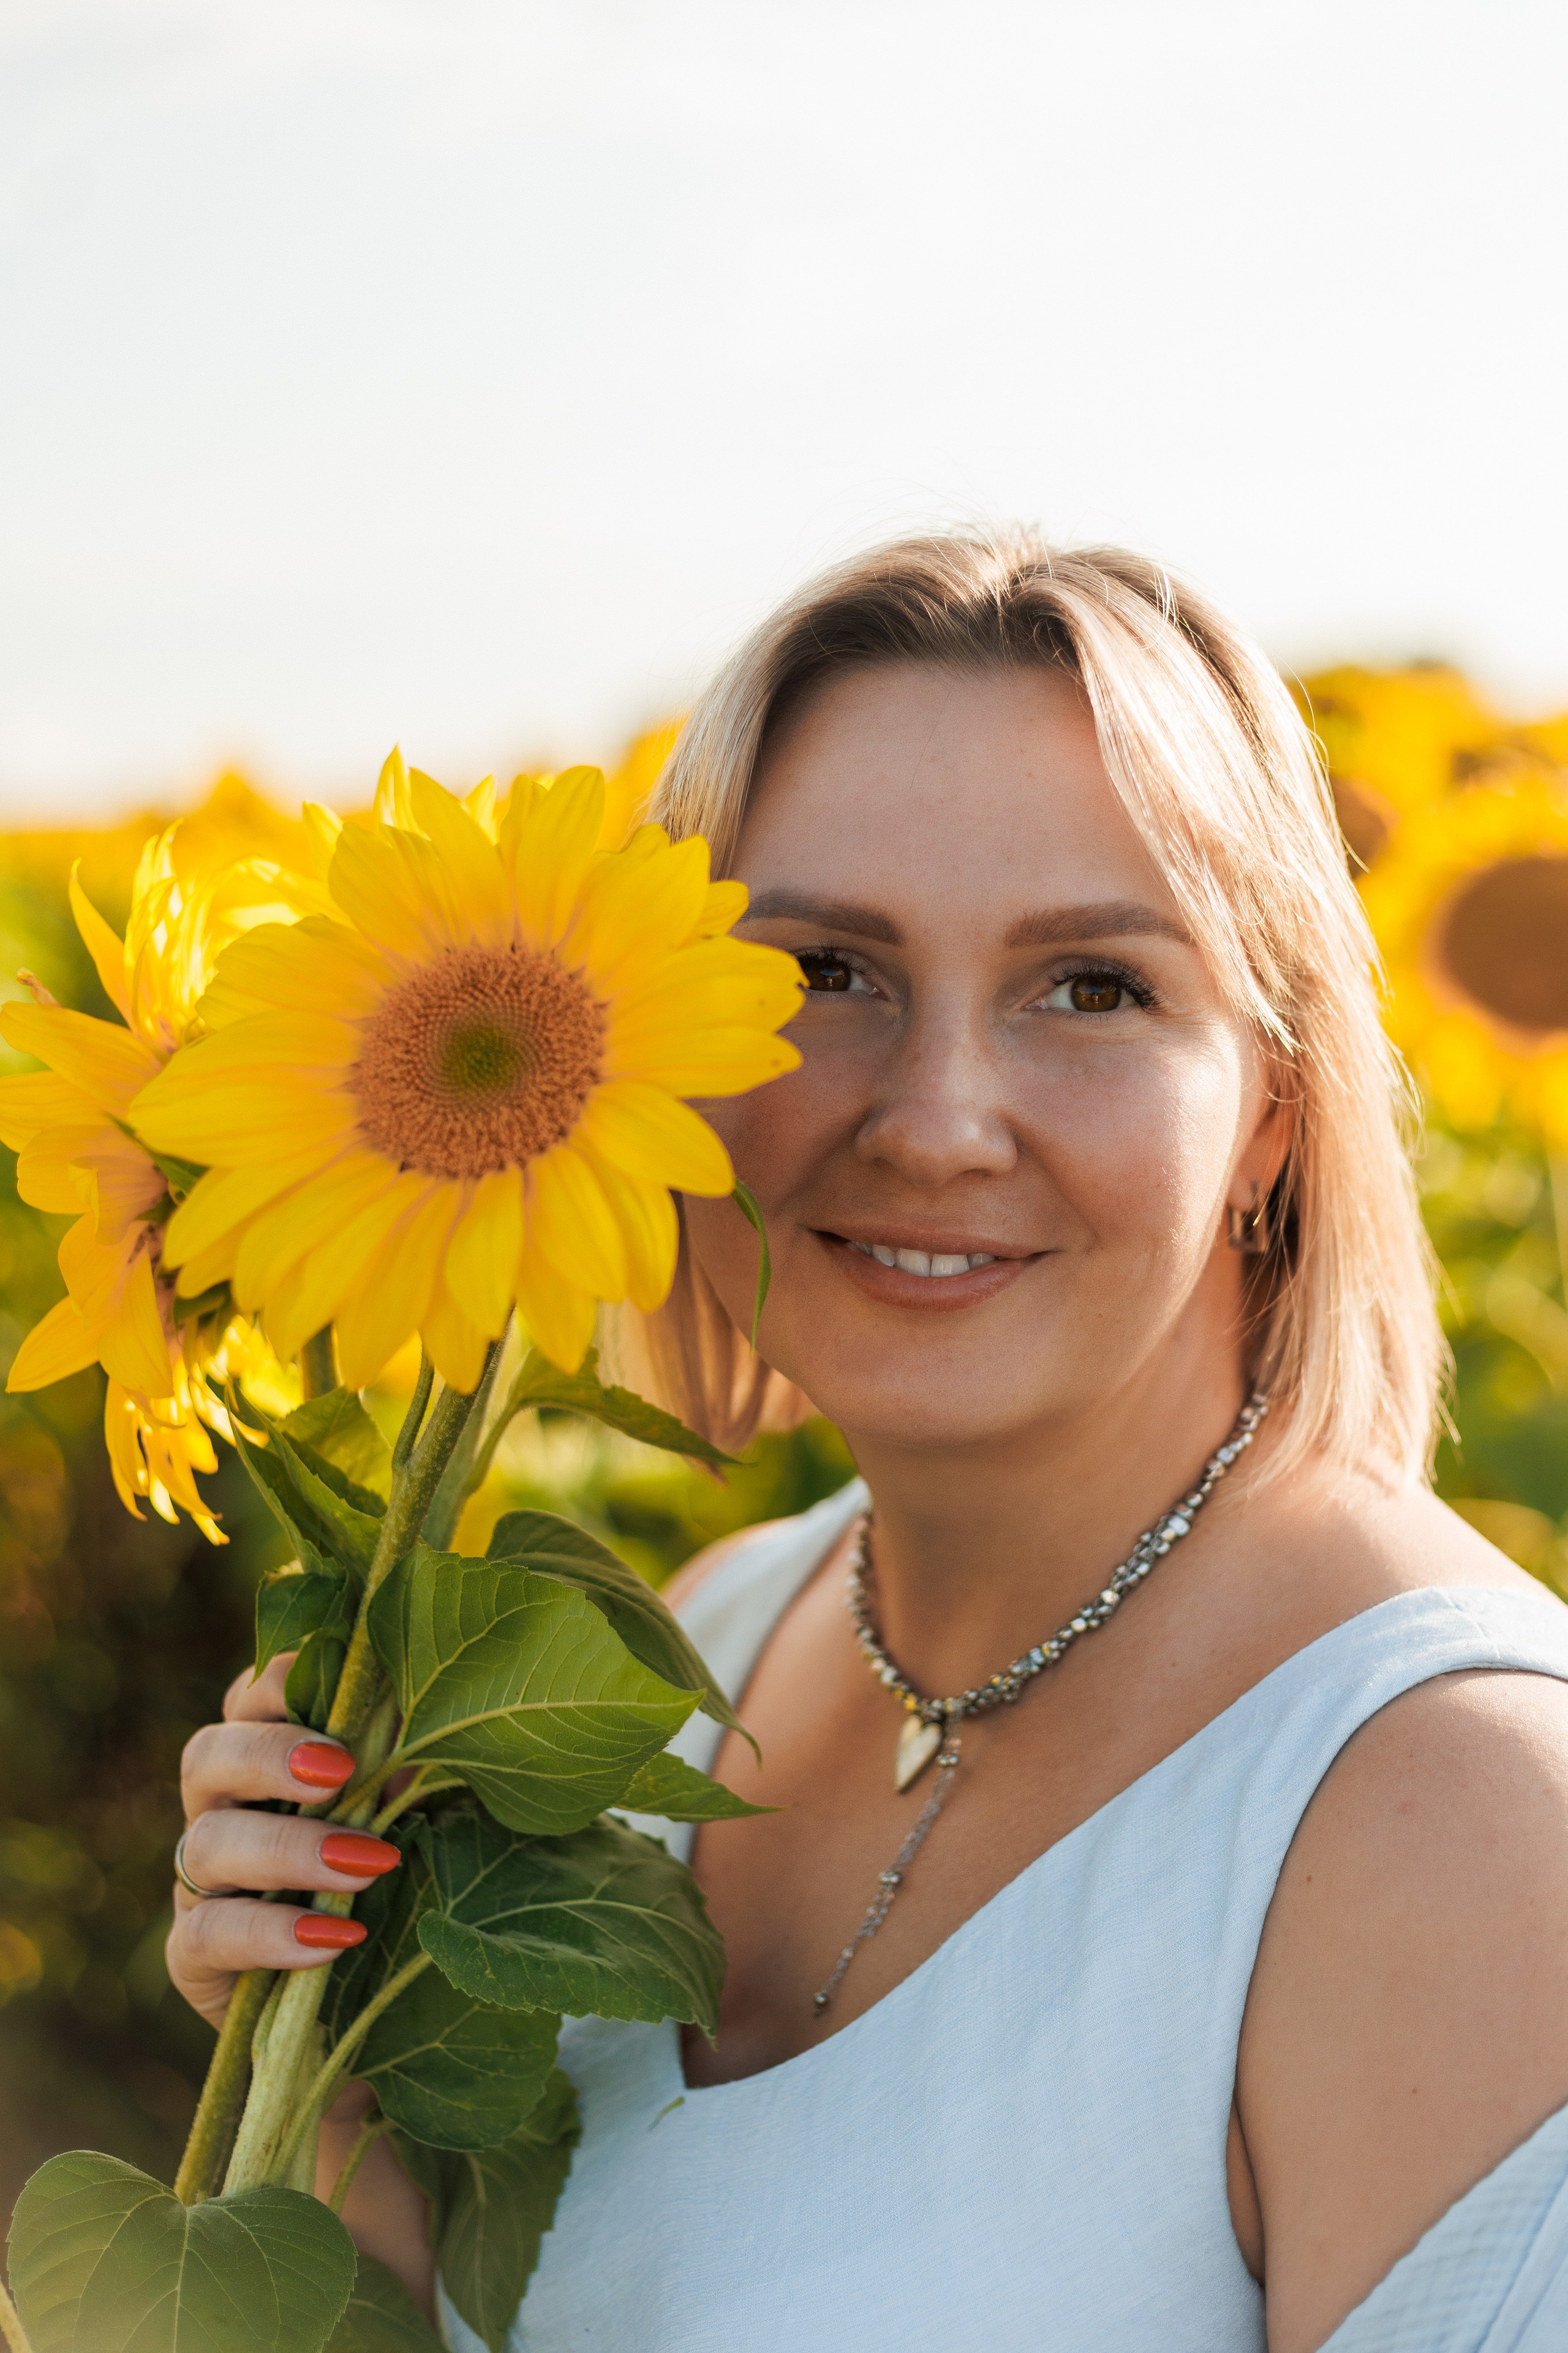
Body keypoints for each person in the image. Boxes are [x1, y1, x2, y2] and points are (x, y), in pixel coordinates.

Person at [169, 532, 1568, 2352]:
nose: (940, 1118)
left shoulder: (1458, 1823)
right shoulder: (708, 1642)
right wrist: (325, 2087)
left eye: (1092, 987)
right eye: (829, 969)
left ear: (1277, 1114)